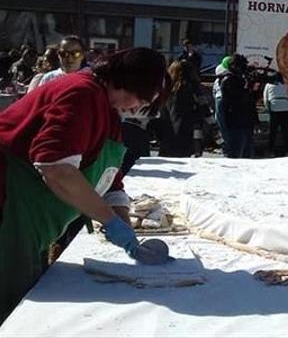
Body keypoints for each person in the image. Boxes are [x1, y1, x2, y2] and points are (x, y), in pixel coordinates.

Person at [0, 48, 169, 320]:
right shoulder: (81, 93)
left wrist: (123, 223)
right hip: (8, 204)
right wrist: (109, 222)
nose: (138, 107)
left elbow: (110, 179)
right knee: (12, 309)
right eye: (140, 97)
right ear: (125, 80)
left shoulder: (107, 110)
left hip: (30, 223)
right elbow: (55, 166)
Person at [158, 60, 201, 157]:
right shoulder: (192, 88)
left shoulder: (166, 89)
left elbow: (160, 111)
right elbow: (203, 108)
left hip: (167, 134)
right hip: (187, 133)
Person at [220, 55, 257, 158]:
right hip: (235, 120)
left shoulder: (240, 79)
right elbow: (236, 98)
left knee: (248, 154)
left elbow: (250, 99)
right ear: (235, 66)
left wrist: (254, 88)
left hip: (246, 120)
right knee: (236, 154)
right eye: (242, 66)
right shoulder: (228, 79)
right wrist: (246, 86)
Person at [263, 72, 288, 157]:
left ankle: (270, 151)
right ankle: (287, 150)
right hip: (286, 107)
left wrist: (268, 108)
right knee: (285, 131)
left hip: (275, 107)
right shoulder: (285, 85)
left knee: (273, 131)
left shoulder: (268, 85)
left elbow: (265, 98)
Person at [213, 57, 231, 156]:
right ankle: (226, 146)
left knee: (221, 125)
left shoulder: (218, 79)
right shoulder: (232, 78)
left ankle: (225, 147)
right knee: (225, 125)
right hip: (225, 102)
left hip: (219, 100)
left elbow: (214, 93)